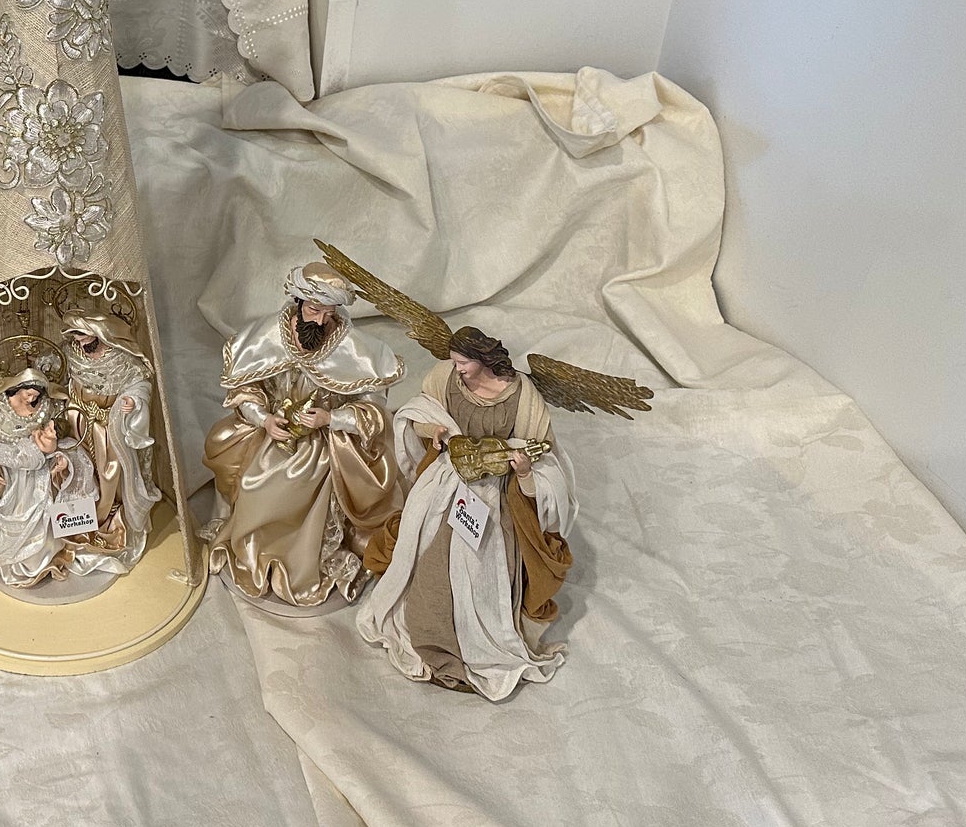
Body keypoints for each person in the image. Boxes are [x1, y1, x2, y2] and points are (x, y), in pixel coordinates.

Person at [356, 326, 577, 699]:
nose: (457, 369)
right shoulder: (446, 376)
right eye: (454, 362)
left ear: (484, 360)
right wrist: (436, 432)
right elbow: (421, 411)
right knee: (426, 554)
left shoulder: (521, 393)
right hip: (448, 483)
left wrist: (523, 470)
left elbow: (542, 449)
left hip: (496, 493)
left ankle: (479, 642)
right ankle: (431, 636)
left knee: (483, 569)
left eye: (464, 363)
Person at [204, 263, 405, 607]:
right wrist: (264, 419)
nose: (321, 321)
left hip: (322, 447)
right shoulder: (268, 335)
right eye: (314, 310)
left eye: (329, 313)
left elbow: (374, 411)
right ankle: (255, 551)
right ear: (298, 302)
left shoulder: (354, 348)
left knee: (299, 489)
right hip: (274, 437)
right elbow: (245, 390)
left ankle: (299, 561)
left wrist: (330, 417)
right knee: (254, 483)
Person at [0, 363, 113, 588]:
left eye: (37, 394)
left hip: (42, 478)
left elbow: (61, 440)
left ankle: (46, 554)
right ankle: (16, 558)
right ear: (16, 388)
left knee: (45, 519)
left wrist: (61, 457)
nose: (33, 398)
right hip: (15, 479)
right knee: (16, 514)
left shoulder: (46, 407)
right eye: (28, 393)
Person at [57, 305, 159, 573]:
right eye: (75, 336)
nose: (79, 342)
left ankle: (105, 516)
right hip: (76, 419)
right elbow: (66, 375)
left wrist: (132, 401)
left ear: (100, 333)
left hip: (106, 426)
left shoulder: (122, 359)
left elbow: (141, 383)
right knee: (78, 467)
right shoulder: (74, 353)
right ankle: (76, 517)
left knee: (108, 472)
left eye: (83, 336)